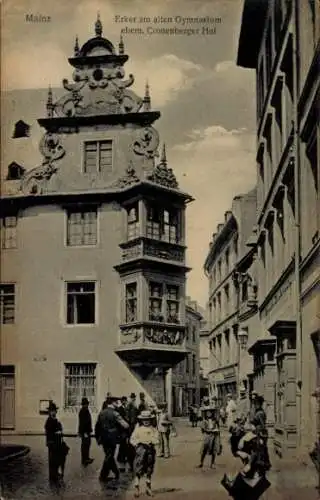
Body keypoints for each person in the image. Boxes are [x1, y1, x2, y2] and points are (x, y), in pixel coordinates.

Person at [95, 396, 129, 482]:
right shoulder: (115, 413)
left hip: (103, 438)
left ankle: (110, 474)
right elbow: (125, 425)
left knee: (109, 455)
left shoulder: (101, 413)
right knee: (109, 456)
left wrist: (98, 438)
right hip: (112, 438)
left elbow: (97, 427)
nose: (117, 403)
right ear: (112, 403)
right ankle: (104, 475)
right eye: (116, 402)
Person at [130, 410, 159, 497]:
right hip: (140, 451)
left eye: (148, 419)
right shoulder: (138, 429)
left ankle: (148, 488)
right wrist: (137, 444)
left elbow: (157, 439)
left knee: (149, 469)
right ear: (141, 420)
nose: (146, 421)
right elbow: (132, 439)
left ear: (150, 420)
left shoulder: (153, 429)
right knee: (138, 469)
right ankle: (137, 488)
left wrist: (152, 441)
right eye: (144, 420)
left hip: (150, 451)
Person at [45, 401, 67, 483]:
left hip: (57, 443)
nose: (53, 412)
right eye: (51, 411)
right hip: (52, 443)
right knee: (52, 460)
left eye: (54, 410)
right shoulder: (49, 421)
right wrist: (56, 432)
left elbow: (59, 429)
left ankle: (56, 474)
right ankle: (53, 476)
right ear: (49, 412)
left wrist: (59, 430)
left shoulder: (55, 420)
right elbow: (49, 433)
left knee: (57, 459)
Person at [250, 395, 271, 471]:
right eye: (255, 403)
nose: (255, 405)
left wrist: (262, 434)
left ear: (259, 403)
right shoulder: (258, 412)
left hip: (260, 432)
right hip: (258, 431)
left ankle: (262, 465)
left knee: (260, 449)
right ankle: (264, 464)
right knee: (260, 449)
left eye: (256, 403)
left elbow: (262, 424)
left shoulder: (260, 413)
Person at [78, 397, 94, 466]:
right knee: (85, 445)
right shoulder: (83, 411)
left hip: (86, 431)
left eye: (87, 404)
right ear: (83, 404)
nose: (87, 405)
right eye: (86, 404)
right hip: (85, 431)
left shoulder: (85, 410)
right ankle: (84, 459)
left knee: (86, 445)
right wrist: (84, 432)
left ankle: (86, 458)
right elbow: (83, 423)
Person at [116, 396, 129, 472]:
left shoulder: (124, 408)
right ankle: (121, 457)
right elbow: (121, 419)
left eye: (125, 400)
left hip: (125, 429)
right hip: (122, 429)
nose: (125, 401)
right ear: (122, 401)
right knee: (122, 443)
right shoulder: (120, 409)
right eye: (124, 400)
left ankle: (122, 456)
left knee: (124, 443)